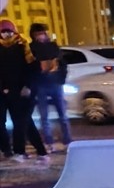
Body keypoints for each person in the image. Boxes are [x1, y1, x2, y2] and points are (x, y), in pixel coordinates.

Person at [0, 20, 49, 163]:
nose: (6, 35)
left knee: (22, 122)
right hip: (5, 92)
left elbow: (33, 69)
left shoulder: (24, 46)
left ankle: (22, 152)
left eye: (9, 31)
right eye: (3, 32)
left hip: (22, 92)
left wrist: (28, 86)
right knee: (21, 123)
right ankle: (35, 152)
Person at [29, 23, 71, 153]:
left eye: (41, 33)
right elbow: (30, 67)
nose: (40, 36)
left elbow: (62, 64)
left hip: (56, 84)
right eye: (37, 34)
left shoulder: (53, 46)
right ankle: (48, 142)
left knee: (62, 115)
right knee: (44, 117)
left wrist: (61, 79)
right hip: (41, 85)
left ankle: (68, 141)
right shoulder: (31, 48)